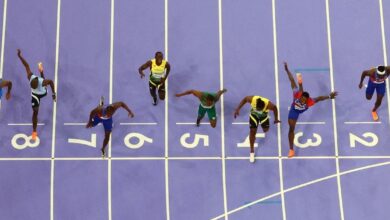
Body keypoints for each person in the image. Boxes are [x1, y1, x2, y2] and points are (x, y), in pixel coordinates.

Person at [284, 62, 337, 158]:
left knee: (301, 89)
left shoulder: (310, 101)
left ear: (307, 100)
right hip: (293, 111)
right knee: (291, 128)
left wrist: (329, 96)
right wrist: (287, 70)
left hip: (300, 111)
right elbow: (291, 80)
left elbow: (320, 98)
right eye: (301, 99)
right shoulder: (297, 94)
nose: (302, 101)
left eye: (304, 100)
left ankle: (301, 82)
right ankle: (291, 149)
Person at [17, 49, 56, 141]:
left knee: (44, 79)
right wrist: (19, 56)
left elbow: (51, 82)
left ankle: (41, 71)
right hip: (35, 96)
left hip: (43, 92)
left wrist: (53, 93)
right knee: (35, 112)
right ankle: (34, 131)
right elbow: (26, 65)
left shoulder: (42, 82)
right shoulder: (30, 77)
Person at [234, 95, 280, 163]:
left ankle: (262, 125)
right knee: (252, 132)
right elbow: (245, 99)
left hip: (263, 117)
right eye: (257, 108)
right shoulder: (252, 99)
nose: (258, 110)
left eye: (259, 109)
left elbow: (275, 108)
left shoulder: (269, 105)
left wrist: (276, 119)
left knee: (266, 130)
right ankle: (252, 151)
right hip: (253, 116)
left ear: (264, 106)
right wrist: (238, 109)